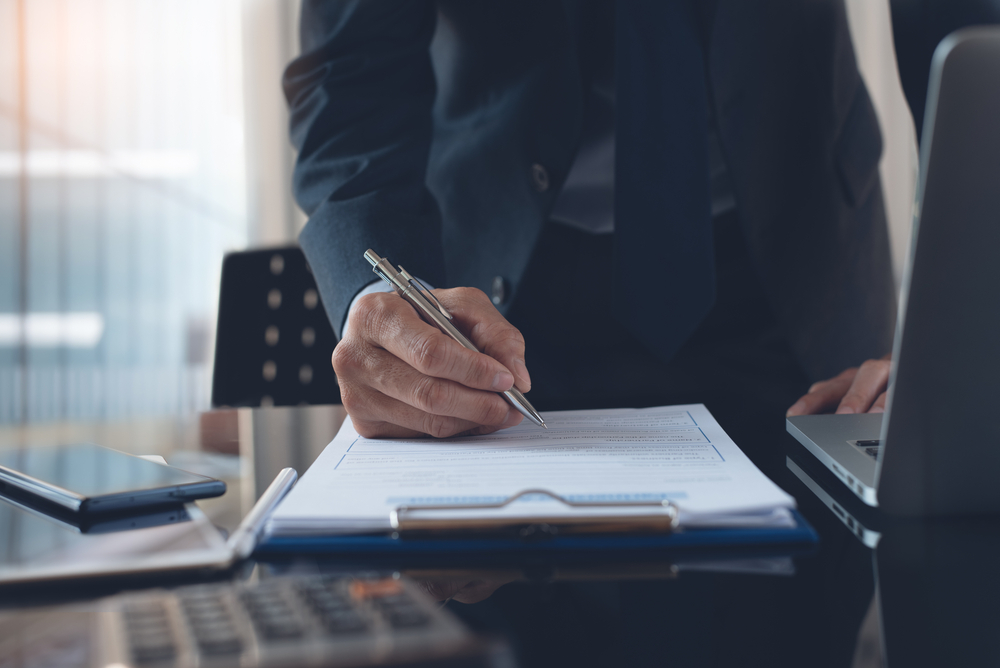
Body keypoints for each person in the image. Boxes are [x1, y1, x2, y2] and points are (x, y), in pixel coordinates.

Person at [283, 0, 897, 464]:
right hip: (488, 311)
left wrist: (963, 336)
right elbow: (350, 74)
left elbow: (973, 41)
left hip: (794, 287)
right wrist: (379, 299)